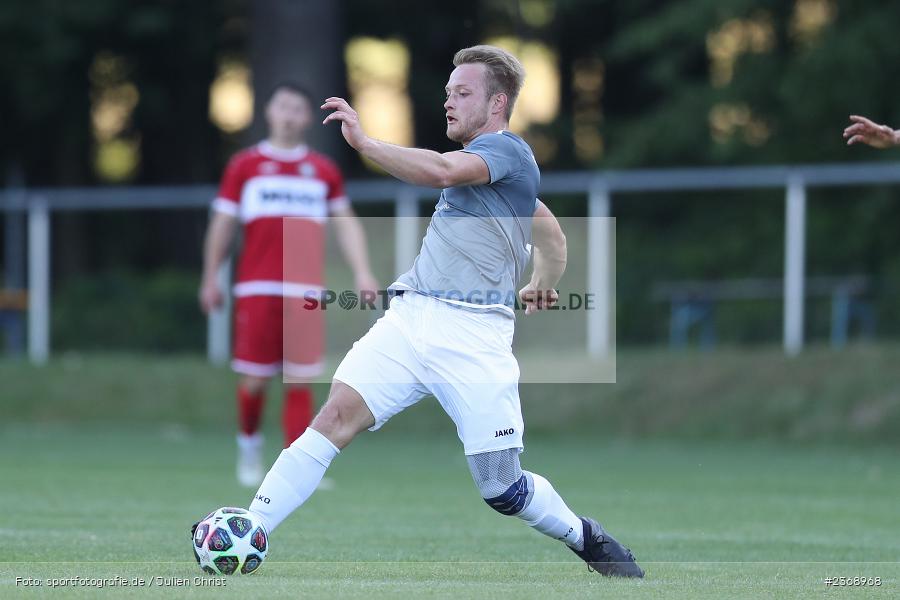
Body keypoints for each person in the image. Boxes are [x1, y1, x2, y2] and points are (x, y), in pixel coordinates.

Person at [200, 45, 643, 577]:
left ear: (498, 103)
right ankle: (251, 529)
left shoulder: (508, 151)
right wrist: (542, 283)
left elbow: (440, 172)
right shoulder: (493, 174)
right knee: (334, 417)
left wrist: (363, 142)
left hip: (475, 338)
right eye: (447, 93)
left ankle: (584, 536)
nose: (449, 103)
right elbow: (549, 234)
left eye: (463, 93)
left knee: (501, 487)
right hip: (410, 322)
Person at [199, 81, 378, 487]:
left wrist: (362, 270)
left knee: (300, 379)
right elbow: (223, 224)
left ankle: (296, 467)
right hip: (257, 288)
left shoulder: (323, 171)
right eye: (283, 106)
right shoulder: (244, 166)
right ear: (269, 111)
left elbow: (346, 223)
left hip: (304, 292)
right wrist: (211, 276)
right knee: (256, 379)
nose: (290, 115)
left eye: (298, 108)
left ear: (306, 117)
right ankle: (248, 450)